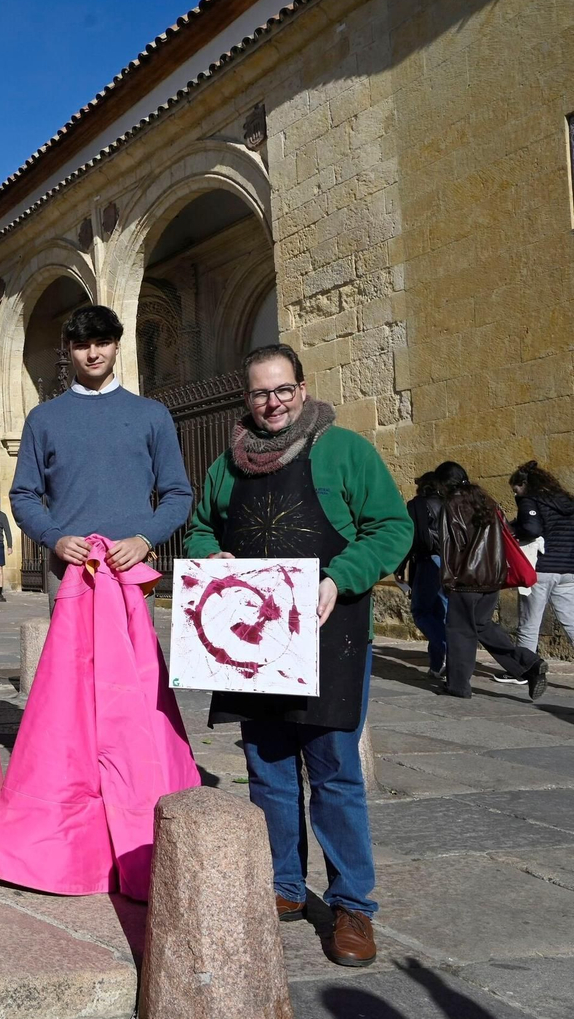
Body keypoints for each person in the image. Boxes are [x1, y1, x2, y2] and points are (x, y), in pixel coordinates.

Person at [187, 342, 412, 969]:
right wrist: (212, 556)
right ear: (247, 400)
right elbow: (204, 524)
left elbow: (392, 527)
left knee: (335, 770)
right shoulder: (226, 464)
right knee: (268, 766)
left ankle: (352, 906)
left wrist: (342, 577)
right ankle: (283, 886)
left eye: (283, 390)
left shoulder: (344, 451)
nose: (273, 403)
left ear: (302, 390)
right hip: (252, 639)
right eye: (260, 393)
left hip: (328, 631)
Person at [10, 304, 192, 604]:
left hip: (132, 565)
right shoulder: (43, 419)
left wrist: (144, 539)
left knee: (132, 650)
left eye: (102, 343)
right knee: (72, 653)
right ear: (69, 349)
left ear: (117, 346)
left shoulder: (152, 415)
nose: (93, 354)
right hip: (69, 570)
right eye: (82, 346)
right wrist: (55, 539)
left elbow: (178, 494)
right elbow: (23, 495)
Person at [432, 465, 547, 700]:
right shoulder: (486, 500)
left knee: (459, 631)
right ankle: (528, 664)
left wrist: (447, 578)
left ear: (445, 484)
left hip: (466, 578)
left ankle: (458, 685)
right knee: (482, 626)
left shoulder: (452, 505)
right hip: (492, 577)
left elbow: (450, 545)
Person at [511, 460, 574, 663]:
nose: (515, 495)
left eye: (516, 489)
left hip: (541, 569)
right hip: (567, 569)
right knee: (572, 621)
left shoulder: (530, 500)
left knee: (530, 622)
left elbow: (531, 529)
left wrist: (514, 530)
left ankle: (524, 669)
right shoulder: (567, 501)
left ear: (524, 485)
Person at [398, 473, 447, 677]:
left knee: (421, 613)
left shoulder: (416, 505)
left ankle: (450, 647)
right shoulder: (449, 503)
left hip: (428, 562)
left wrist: (400, 566)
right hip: (449, 562)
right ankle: (437, 666)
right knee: (440, 614)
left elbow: (409, 538)